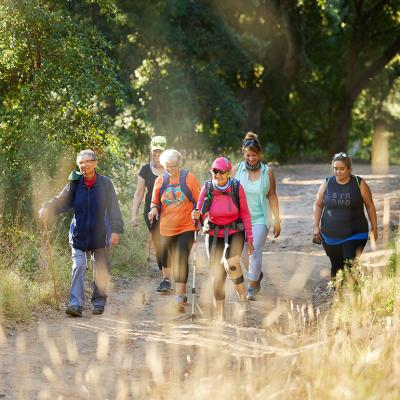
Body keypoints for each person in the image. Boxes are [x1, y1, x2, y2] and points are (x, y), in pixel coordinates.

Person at [38, 150, 124, 317]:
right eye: (81, 163)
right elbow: (61, 199)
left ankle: (99, 302)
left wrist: (116, 230)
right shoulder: (75, 183)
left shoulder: (105, 183)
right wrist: (47, 207)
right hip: (79, 232)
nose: (84, 165)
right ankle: (76, 304)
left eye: (87, 161)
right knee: (79, 266)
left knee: (100, 268)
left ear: (95, 163)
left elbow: (114, 208)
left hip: (100, 233)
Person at [192, 156, 254, 320]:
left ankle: (243, 299)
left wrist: (250, 238)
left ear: (228, 173)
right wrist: (196, 216)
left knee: (231, 263)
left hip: (235, 231)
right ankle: (220, 313)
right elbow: (199, 212)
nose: (217, 175)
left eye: (220, 172)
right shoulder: (207, 188)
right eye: (214, 171)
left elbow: (245, 214)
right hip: (214, 232)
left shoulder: (236, 188)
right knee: (217, 273)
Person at [148, 149, 200, 312]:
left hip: (187, 226)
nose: (172, 169)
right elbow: (155, 202)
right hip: (166, 227)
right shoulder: (160, 181)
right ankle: (173, 287)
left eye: (175, 166)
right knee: (169, 257)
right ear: (164, 166)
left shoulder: (189, 179)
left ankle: (180, 295)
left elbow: (199, 201)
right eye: (168, 166)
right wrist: (154, 210)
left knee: (181, 258)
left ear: (180, 163)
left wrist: (199, 214)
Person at [313, 152, 378, 279]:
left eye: (342, 169)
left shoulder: (359, 183)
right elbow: (318, 204)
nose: (338, 172)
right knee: (336, 267)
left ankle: (355, 293)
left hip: (355, 234)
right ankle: (339, 295)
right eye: (335, 169)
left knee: (349, 263)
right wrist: (315, 226)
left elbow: (370, 206)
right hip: (330, 235)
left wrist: (374, 228)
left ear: (349, 169)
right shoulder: (327, 183)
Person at [233, 132, 281, 301]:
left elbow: (272, 196)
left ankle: (252, 285)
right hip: (239, 219)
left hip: (261, 218)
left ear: (260, 154)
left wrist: (277, 221)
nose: (251, 158)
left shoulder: (267, 172)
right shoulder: (236, 170)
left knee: (254, 251)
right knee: (241, 253)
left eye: (254, 155)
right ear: (243, 154)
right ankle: (256, 274)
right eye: (248, 155)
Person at [130, 136, 171, 293]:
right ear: (151, 151)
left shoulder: (171, 168)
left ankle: (168, 276)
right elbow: (139, 193)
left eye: (160, 152)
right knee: (159, 244)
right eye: (155, 152)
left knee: (168, 244)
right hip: (151, 213)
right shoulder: (145, 170)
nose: (157, 155)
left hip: (170, 212)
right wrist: (133, 215)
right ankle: (165, 279)